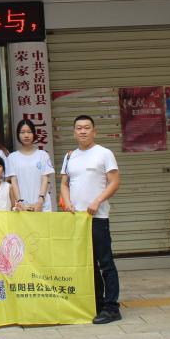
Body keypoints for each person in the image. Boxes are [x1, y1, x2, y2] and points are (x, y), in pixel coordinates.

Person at [60, 115, 122, 325]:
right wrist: (67, 203)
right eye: (79, 128)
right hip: (77, 219)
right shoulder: (70, 156)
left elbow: (114, 182)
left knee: (105, 263)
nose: (83, 131)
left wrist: (97, 201)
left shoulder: (104, 153)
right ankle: (97, 304)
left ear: (94, 131)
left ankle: (112, 308)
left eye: (87, 128)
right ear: (74, 132)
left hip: (98, 218)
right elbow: (64, 183)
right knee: (88, 264)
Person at [7, 119, 55, 212]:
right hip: (22, 206)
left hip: (42, 205)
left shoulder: (43, 155)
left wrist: (40, 200)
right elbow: (14, 182)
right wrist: (20, 202)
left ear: (34, 134)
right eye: (22, 132)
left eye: (29, 132)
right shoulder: (12, 157)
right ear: (18, 135)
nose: (26, 135)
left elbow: (45, 179)